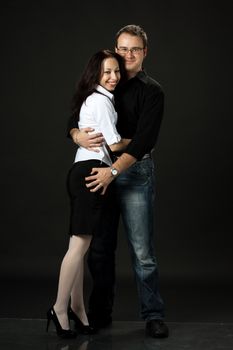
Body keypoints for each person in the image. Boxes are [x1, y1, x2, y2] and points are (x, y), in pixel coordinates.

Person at [68, 24, 169, 338]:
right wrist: (76, 134)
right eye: (123, 48)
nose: (127, 55)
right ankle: (100, 313)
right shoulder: (105, 78)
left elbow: (143, 142)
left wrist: (114, 170)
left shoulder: (152, 91)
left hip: (134, 175)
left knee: (142, 253)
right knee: (100, 248)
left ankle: (153, 315)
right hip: (100, 172)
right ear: (115, 48)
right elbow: (76, 116)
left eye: (134, 49)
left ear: (144, 53)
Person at [46, 49, 130, 338]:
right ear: (95, 73)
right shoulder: (100, 101)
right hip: (91, 173)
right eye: (107, 72)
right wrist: (144, 138)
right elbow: (116, 145)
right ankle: (59, 309)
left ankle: (79, 310)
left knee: (79, 247)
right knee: (79, 248)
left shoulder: (92, 99)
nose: (113, 77)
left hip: (81, 172)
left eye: (117, 71)